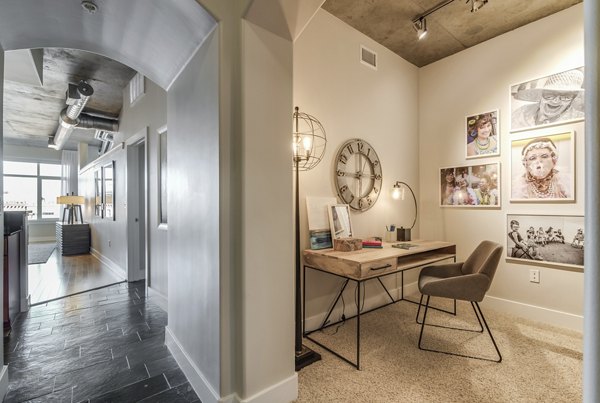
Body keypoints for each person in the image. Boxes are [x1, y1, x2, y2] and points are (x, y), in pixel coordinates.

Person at [511, 69, 584, 130]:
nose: (556, 101)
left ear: (573, 99)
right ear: (542, 94)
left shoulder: (580, 119)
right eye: (550, 94)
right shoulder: (522, 112)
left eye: (565, 97)